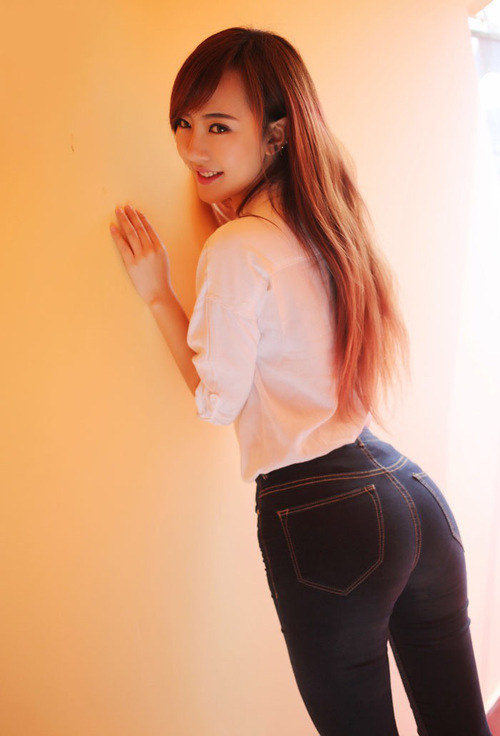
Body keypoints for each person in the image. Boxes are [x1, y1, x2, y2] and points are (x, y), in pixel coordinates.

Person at [108, 26, 493, 736]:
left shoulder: (238, 247)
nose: (192, 148)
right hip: (409, 492)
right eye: (183, 123)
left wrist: (159, 294)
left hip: (322, 513)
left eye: (219, 126)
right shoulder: (327, 224)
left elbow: (216, 399)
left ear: (277, 134)